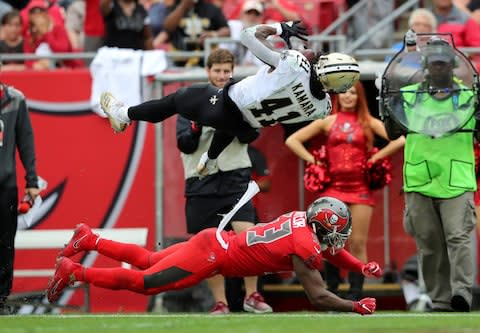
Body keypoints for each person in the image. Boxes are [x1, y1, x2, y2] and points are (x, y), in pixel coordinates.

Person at [99, 21, 360, 177]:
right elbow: (304, 80)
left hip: (227, 105)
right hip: (247, 125)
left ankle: (123, 115)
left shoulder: (294, 64)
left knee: (178, 100)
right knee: (226, 127)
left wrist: (281, 29)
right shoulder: (323, 108)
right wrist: (299, 51)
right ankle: (210, 161)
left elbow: (248, 35)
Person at [47, 196, 382, 315]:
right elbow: (318, 296)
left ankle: (90, 239)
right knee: (146, 282)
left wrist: (360, 266)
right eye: (339, 228)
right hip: (214, 257)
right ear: (324, 226)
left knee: (149, 261)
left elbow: (331, 253)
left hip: (217, 242)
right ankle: (74, 272)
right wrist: (354, 306)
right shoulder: (305, 245)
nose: (341, 237)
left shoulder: (301, 223)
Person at [285, 81, 405, 300]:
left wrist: (377, 157)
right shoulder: (327, 121)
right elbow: (292, 140)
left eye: (352, 93)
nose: (348, 96)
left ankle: (356, 292)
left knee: (357, 243)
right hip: (333, 190)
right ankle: (332, 289)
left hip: (360, 191)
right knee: (330, 241)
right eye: (344, 93)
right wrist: (314, 161)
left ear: (359, 97)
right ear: (337, 97)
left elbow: (400, 140)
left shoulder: (368, 122)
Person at [383, 36, 477, 312]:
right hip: (419, 178)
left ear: (452, 65)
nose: (438, 67)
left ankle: (461, 293)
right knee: (429, 243)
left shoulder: (469, 96)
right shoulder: (408, 95)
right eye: (433, 63)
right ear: (425, 65)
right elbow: (393, 131)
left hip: (456, 177)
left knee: (459, 237)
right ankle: (440, 299)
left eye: (443, 63)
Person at [175, 48, 271, 314]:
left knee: (248, 237)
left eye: (226, 71)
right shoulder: (190, 102)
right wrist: (197, 124)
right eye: (217, 71)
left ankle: (253, 295)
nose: (221, 76)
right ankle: (221, 302)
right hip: (200, 179)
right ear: (208, 72)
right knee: (208, 245)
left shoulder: (241, 100)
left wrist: (232, 122)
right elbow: (184, 143)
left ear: (232, 72)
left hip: (234, 176)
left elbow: (251, 135)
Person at [0, 81, 40, 315]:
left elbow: (26, 141)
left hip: (6, 186)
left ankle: (1, 300)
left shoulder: (15, 99)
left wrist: (32, 180)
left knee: (5, 245)